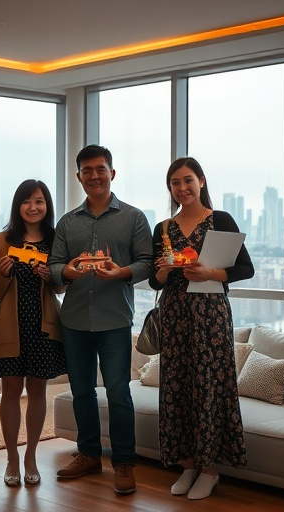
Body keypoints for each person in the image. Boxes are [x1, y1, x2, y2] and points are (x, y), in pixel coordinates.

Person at [48, 144, 153, 495]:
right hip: (74, 320)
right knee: (81, 392)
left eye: (100, 169)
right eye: (87, 171)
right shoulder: (67, 222)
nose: (94, 175)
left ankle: (124, 462)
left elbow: (147, 262)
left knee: (119, 393)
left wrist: (122, 271)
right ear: (79, 177)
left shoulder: (134, 217)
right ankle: (89, 454)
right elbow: (53, 266)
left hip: (115, 320)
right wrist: (67, 272)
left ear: (112, 172)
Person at [148, 157, 254, 500]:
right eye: (175, 183)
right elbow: (154, 281)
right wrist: (163, 271)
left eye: (188, 180)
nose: (182, 188)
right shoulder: (163, 228)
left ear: (202, 182)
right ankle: (189, 465)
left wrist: (211, 274)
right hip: (176, 315)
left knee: (209, 386)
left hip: (211, 316)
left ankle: (210, 470)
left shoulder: (220, 219)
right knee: (178, 388)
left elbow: (245, 268)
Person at [0, 179, 67, 487]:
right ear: (17, 205)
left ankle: (31, 455)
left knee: (37, 392)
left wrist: (52, 277)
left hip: (44, 330)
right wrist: (3, 274)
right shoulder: (2, 240)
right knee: (9, 392)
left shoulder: (55, 240)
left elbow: (62, 286)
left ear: (47, 206)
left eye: (40, 202)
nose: (33, 207)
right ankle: (11, 457)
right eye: (27, 201)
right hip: (10, 327)